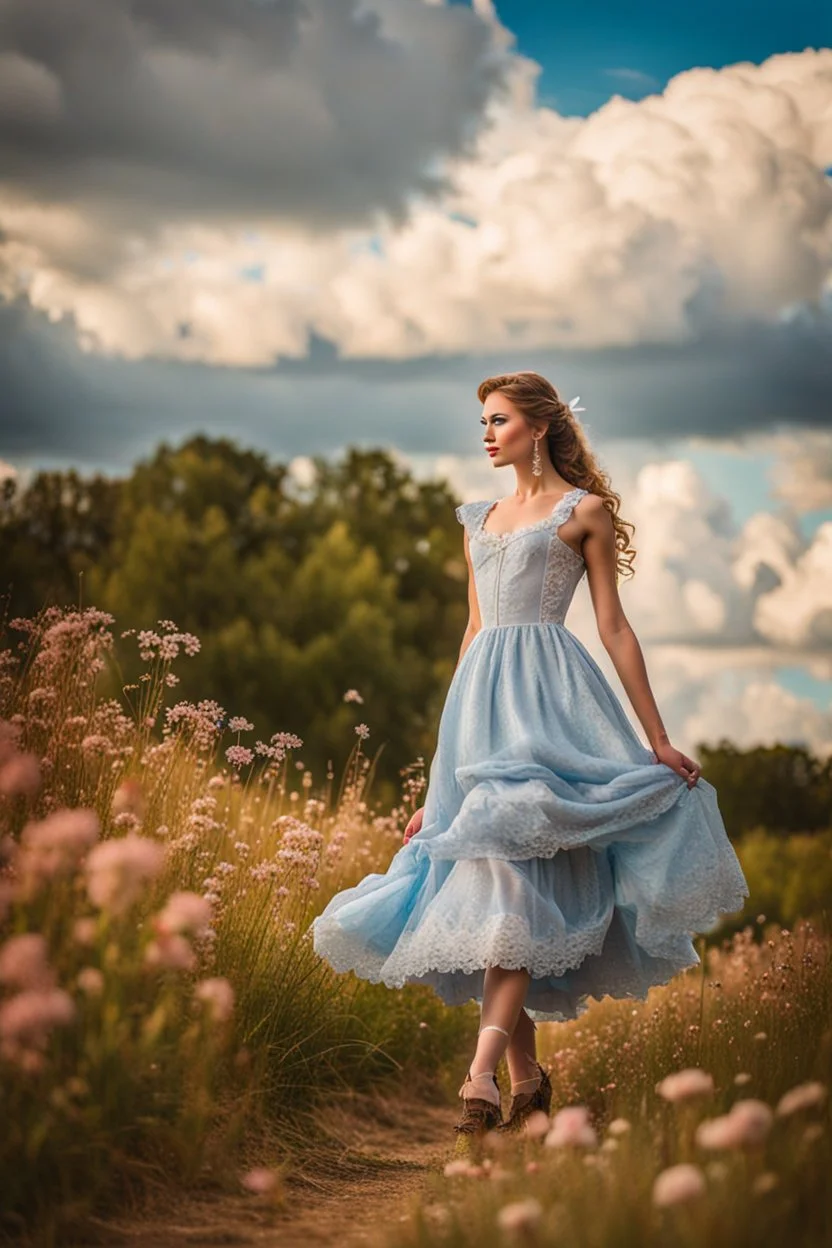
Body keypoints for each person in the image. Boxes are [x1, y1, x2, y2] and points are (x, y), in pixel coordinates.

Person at [311, 370, 749, 1142]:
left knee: (512, 899)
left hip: (554, 711)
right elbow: (473, 633)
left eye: (500, 420)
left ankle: (482, 1072)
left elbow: (613, 628)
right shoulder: (477, 518)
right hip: (482, 715)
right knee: (497, 907)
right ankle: (523, 1078)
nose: (486, 433)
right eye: (482, 421)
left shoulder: (584, 514)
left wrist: (655, 738)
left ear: (539, 426)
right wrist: (444, 771)